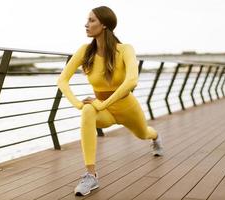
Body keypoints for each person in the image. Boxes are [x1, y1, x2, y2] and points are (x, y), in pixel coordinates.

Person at [57, 6, 164, 196]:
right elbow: (62, 80)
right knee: (88, 111)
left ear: (104, 24)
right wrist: (80, 104)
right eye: (87, 20)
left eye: (92, 20)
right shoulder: (84, 51)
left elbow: (132, 80)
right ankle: (91, 176)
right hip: (102, 109)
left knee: (143, 133)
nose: (86, 24)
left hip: (127, 107)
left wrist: (103, 104)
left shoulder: (125, 50)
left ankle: (156, 138)